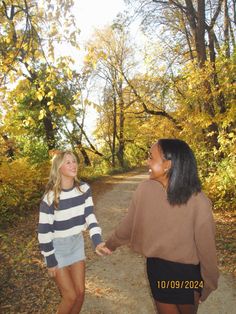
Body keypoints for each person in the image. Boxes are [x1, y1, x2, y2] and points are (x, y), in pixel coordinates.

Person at [105, 139, 219, 314]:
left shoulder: (199, 202)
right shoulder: (145, 189)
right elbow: (129, 224)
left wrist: (209, 283)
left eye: (151, 157)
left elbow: (207, 248)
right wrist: (110, 244)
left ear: (167, 164)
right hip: (162, 271)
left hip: (184, 275)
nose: (147, 162)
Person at [38, 150, 109, 314]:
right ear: (58, 167)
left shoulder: (84, 189)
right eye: (68, 162)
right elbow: (44, 232)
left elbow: (90, 216)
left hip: (76, 243)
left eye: (74, 161)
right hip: (57, 248)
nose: (73, 165)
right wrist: (50, 259)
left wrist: (97, 241)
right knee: (70, 296)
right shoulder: (50, 198)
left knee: (80, 293)